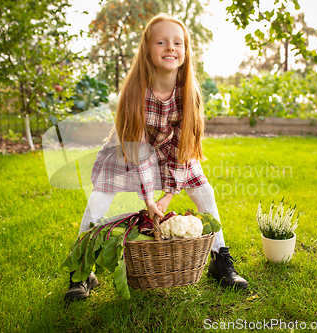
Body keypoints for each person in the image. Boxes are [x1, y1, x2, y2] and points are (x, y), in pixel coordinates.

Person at [65, 13, 248, 302]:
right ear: (147, 50)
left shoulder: (189, 94)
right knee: (98, 201)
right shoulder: (136, 92)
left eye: (177, 42)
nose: (170, 48)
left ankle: (219, 259)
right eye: (161, 42)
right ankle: (81, 271)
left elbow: (183, 146)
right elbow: (137, 149)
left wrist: (167, 196)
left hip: (171, 151)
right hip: (130, 151)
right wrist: (149, 199)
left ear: (186, 52)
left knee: (205, 192)